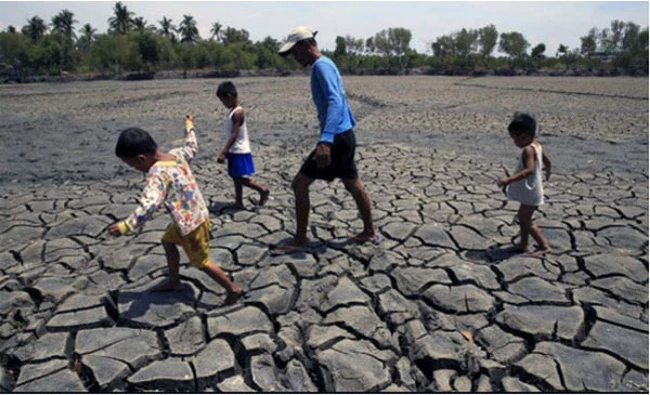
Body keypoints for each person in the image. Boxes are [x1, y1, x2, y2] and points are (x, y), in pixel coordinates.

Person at [107, 115, 243, 304]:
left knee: (201, 262)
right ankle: (174, 281)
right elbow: (192, 146)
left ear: (142, 158)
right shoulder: (177, 154)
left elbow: (150, 204)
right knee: (167, 242)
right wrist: (189, 126)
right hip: (192, 218)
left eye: (134, 165)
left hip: (191, 225)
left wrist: (126, 226)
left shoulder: (157, 174)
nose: (136, 169)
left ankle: (232, 288)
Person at [275, 26, 378, 253]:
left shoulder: (321, 67)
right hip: (345, 134)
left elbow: (334, 101)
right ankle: (369, 231)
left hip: (337, 138)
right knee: (352, 183)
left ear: (305, 45)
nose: (294, 57)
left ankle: (300, 239)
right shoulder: (327, 64)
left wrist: (326, 140)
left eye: (295, 52)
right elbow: (341, 100)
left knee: (299, 185)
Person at [497, 112, 552, 256]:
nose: (514, 142)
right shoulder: (537, 146)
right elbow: (547, 161)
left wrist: (508, 180)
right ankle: (523, 244)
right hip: (532, 190)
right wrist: (548, 169)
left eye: (515, 138)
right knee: (522, 218)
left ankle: (543, 245)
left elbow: (529, 170)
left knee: (525, 219)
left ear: (524, 136)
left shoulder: (528, 150)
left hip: (531, 192)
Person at [216, 81, 270, 209]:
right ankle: (239, 202)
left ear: (229, 96)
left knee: (237, 178)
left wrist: (224, 151)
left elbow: (234, 134)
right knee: (236, 177)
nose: (223, 104)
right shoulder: (233, 111)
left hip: (239, 150)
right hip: (235, 150)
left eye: (223, 101)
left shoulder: (237, 113)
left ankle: (262, 190)